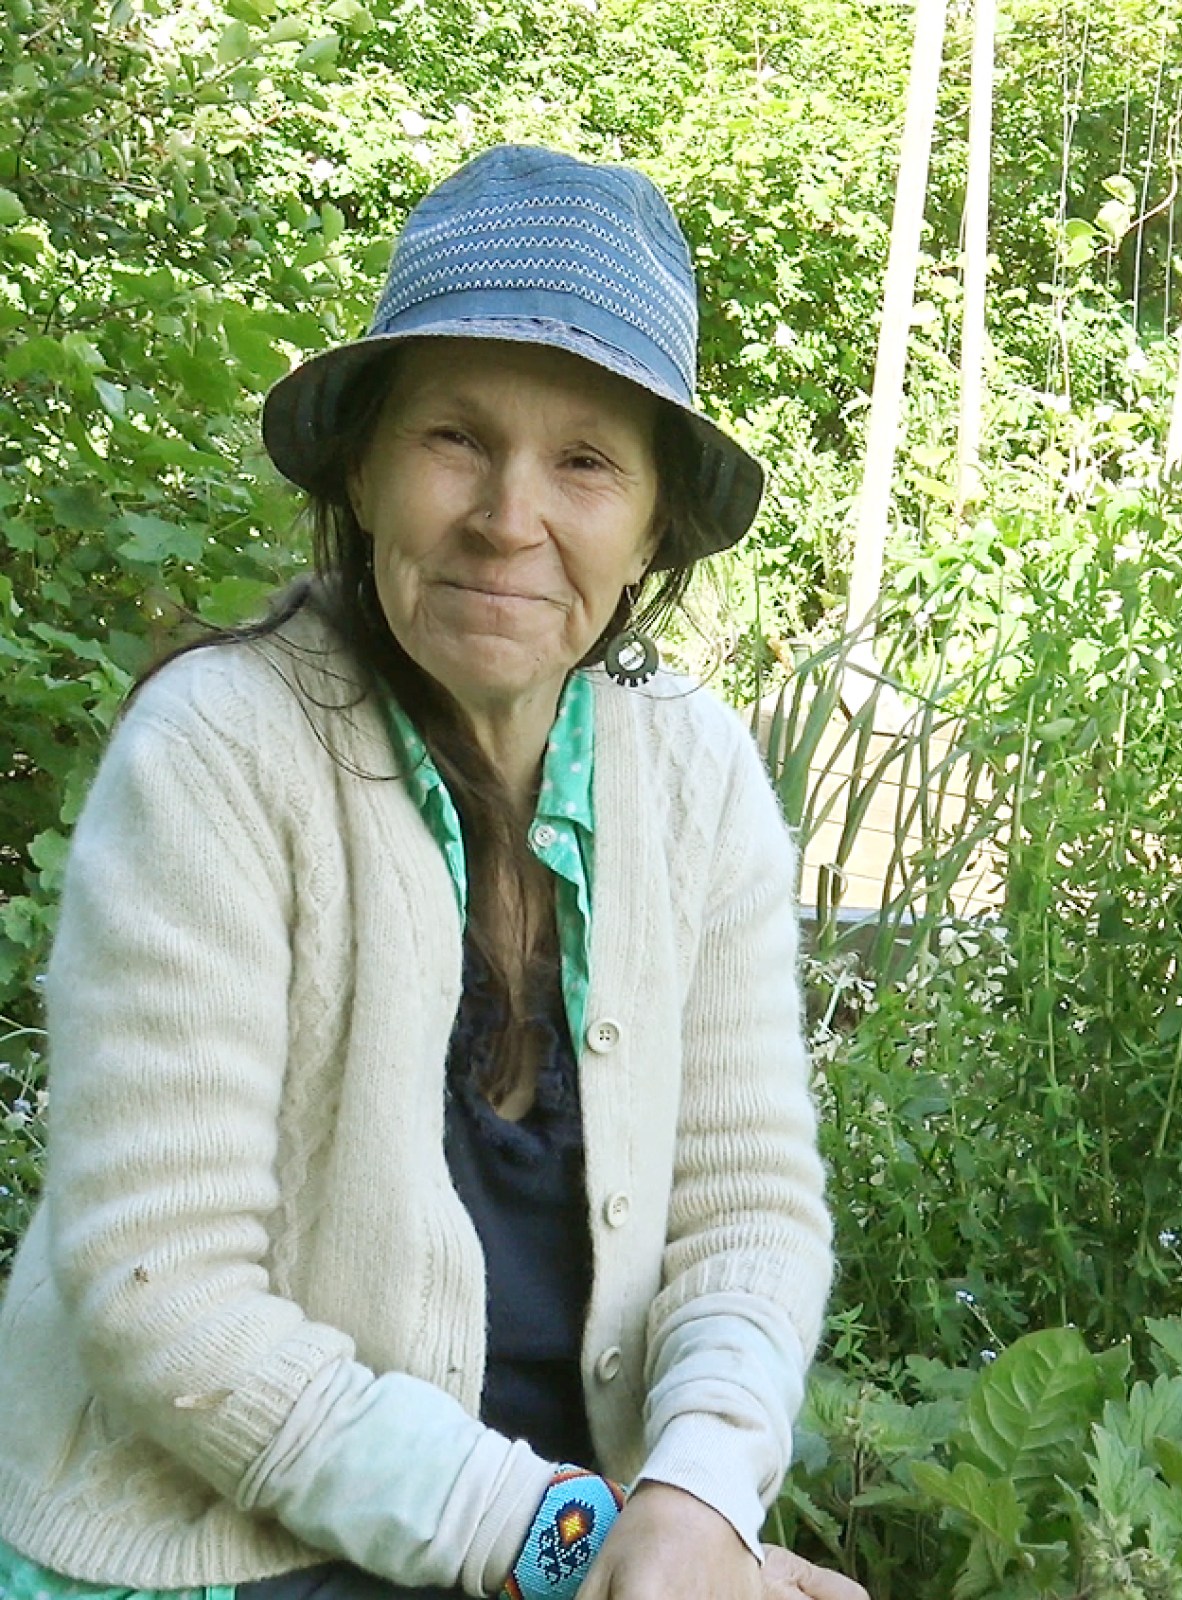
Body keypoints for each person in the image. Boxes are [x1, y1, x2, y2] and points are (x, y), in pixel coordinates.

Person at [0, 146, 865, 1600]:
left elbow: (747, 1212)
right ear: (363, 462)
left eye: (586, 461)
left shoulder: (699, 776)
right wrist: (573, 1551)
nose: (509, 517)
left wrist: (698, 1502)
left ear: (653, 523)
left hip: (558, 1527)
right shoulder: (220, 753)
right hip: (206, 1530)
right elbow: (170, 1299)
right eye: (454, 438)